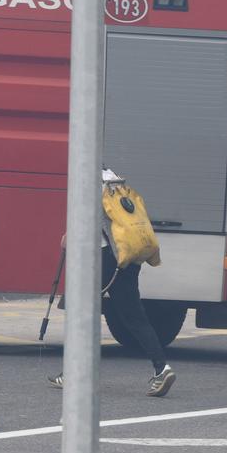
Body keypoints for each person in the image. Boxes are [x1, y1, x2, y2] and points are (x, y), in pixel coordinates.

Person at [49, 168, 177, 397]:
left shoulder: (88, 176)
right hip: (127, 254)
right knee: (134, 317)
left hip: (105, 258)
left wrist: (68, 238)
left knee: (82, 314)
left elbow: (84, 219)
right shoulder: (115, 181)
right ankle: (162, 368)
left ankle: (73, 375)